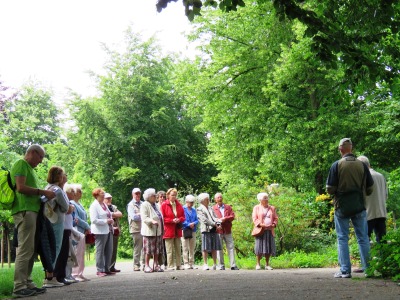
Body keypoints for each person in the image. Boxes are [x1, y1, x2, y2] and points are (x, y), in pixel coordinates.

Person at [10, 144, 55, 297]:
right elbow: (21, 188)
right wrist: (42, 192)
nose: (41, 161)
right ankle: (19, 287)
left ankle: (27, 282)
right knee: (24, 250)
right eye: (40, 157)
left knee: (30, 250)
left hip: (33, 212)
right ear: (32, 153)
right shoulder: (20, 164)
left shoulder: (30, 169)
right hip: (25, 211)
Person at [326, 138, 374, 278]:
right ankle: (368, 269)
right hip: (359, 206)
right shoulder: (362, 165)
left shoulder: (337, 165)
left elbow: (329, 188)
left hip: (341, 206)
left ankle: (345, 270)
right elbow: (370, 188)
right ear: (351, 148)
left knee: (342, 238)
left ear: (340, 149)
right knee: (363, 238)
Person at [43, 166, 74, 287]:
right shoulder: (58, 190)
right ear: (58, 176)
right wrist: (67, 207)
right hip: (57, 221)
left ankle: (48, 276)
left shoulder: (48, 188)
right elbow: (66, 207)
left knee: (48, 248)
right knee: (55, 247)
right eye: (62, 174)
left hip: (48, 220)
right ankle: (52, 278)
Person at [357, 156, 388, 243]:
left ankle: (367, 257)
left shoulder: (364, 177)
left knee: (365, 241)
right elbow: (386, 195)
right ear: (369, 164)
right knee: (382, 240)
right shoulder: (381, 176)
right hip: (381, 212)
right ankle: (384, 256)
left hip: (368, 214)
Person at [89, 188, 115, 277]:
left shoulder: (104, 204)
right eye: (102, 194)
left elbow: (109, 214)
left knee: (109, 249)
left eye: (104, 194)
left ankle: (107, 268)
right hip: (100, 231)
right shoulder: (94, 206)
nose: (104, 195)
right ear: (96, 195)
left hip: (109, 229)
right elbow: (94, 220)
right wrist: (105, 221)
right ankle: (99, 269)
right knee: (100, 250)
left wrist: (111, 221)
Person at [212, 193, 239, 270]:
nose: (219, 198)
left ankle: (233, 265)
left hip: (227, 229)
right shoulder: (213, 208)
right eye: (218, 197)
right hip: (218, 230)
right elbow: (212, 218)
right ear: (215, 199)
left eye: (220, 197)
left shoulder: (228, 207)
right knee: (219, 248)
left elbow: (232, 216)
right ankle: (221, 265)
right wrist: (217, 222)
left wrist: (225, 218)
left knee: (231, 247)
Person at [252, 192, 278, 270]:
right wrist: (261, 224)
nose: (267, 199)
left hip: (269, 230)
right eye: (265, 198)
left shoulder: (272, 208)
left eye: (267, 198)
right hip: (261, 230)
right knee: (259, 246)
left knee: (268, 247)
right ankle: (258, 264)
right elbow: (254, 218)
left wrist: (273, 224)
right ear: (260, 200)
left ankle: (267, 264)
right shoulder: (256, 207)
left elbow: (276, 218)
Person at [160, 188, 185, 270]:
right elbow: (162, 218)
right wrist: (171, 220)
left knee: (178, 248)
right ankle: (170, 265)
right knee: (169, 249)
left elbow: (183, 217)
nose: (174, 196)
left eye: (175, 195)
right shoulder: (164, 205)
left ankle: (178, 265)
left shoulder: (179, 205)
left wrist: (179, 219)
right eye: (172, 195)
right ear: (168, 195)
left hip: (177, 229)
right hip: (168, 230)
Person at [140, 188, 164, 273]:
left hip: (157, 230)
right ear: (149, 197)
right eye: (154, 195)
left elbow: (160, 215)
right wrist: (152, 221)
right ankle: (146, 265)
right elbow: (144, 217)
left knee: (157, 249)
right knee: (148, 249)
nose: (155, 196)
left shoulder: (156, 205)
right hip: (149, 231)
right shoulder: (144, 205)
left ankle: (155, 264)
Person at [196, 192, 222, 271]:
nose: (208, 200)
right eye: (207, 199)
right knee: (205, 247)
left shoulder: (210, 208)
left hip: (214, 229)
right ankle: (205, 263)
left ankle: (215, 264)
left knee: (214, 246)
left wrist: (218, 223)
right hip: (206, 230)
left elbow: (215, 217)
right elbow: (204, 220)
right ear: (203, 200)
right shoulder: (199, 209)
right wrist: (214, 224)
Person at [71, 184, 91, 281]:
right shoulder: (72, 203)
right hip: (77, 231)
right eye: (79, 191)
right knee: (76, 252)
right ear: (74, 193)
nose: (81, 193)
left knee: (81, 252)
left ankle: (80, 273)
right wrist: (87, 226)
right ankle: (75, 274)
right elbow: (76, 219)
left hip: (82, 231)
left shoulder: (79, 204)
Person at [104, 192, 123, 273]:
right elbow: (104, 215)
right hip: (106, 230)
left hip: (115, 230)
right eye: (107, 198)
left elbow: (120, 214)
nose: (109, 200)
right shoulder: (102, 207)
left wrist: (111, 214)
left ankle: (112, 266)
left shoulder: (113, 207)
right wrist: (113, 214)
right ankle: (106, 267)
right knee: (107, 249)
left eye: (110, 198)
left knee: (114, 249)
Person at [127, 187, 145, 271]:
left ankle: (145, 264)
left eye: (139, 193)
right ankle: (136, 265)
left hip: (144, 228)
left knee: (145, 247)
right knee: (137, 248)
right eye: (136, 193)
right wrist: (142, 214)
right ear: (132, 194)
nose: (137, 195)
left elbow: (147, 215)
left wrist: (139, 214)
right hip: (136, 229)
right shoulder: (130, 205)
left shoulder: (143, 203)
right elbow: (134, 217)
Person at [181, 194, 199, 270]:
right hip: (185, 229)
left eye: (192, 202)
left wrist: (193, 223)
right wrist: (188, 224)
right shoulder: (182, 209)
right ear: (186, 201)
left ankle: (191, 263)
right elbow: (181, 219)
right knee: (185, 247)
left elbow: (197, 220)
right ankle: (185, 263)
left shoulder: (194, 210)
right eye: (190, 202)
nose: (191, 204)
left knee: (192, 247)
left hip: (193, 230)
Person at [156, 190, 167, 268]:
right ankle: (159, 263)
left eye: (164, 197)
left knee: (166, 246)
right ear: (157, 198)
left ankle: (165, 263)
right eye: (161, 197)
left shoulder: (167, 205)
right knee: (159, 246)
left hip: (166, 228)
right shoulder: (156, 206)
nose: (162, 198)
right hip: (158, 228)